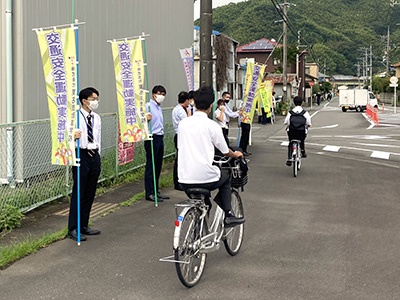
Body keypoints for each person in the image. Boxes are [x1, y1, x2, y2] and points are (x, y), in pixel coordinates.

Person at [178, 86, 245, 227]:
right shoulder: (212, 126)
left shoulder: (183, 124)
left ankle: (199, 236)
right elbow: (225, 151)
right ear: (211, 105)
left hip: (184, 178)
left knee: (204, 204)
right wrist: (236, 154)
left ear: (194, 103)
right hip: (205, 177)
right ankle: (228, 215)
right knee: (225, 178)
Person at [68, 87, 101, 242]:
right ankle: (73, 228)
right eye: (93, 99)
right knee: (79, 192)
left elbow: (97, 137)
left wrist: (97, 154)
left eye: (96, 99)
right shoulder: (75, 117)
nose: (95, 101)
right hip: (81, 154)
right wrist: (73, 136)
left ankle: (84, 225)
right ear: (84, 100)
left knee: (90, 192)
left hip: (94, 154)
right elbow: (65, 136)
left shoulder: (96, 118)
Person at [144, 85, 170, 202]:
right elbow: (140, 120)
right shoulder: (148, 106)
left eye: (164, 94)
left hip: (159, 137)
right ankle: (149, 192)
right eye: (160, 94)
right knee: (151, 165)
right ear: (154, 94)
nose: (161, 97)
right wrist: (145, 118)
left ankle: (156, 191)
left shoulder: (158, 108)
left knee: (158, 166)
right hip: (151, 137)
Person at [284, 96, 312, 166]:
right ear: (302, 103)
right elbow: (309, 123)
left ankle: (289, 158)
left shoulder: (290, 113)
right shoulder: (305, 113)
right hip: (301, 132)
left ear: (294, 103)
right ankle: (302, 151)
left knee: (291, 142)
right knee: (301, 139)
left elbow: (286, 122)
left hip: (292, 132)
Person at [172, 91, 190, 191]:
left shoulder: (178, 109)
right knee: (179, 160)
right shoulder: (180, 110)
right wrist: (189, 114)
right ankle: (178, 182)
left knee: (181, 159)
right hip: (180, 136)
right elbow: (186, 122)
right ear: (186, 100)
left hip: (180, 135)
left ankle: (180, 181)